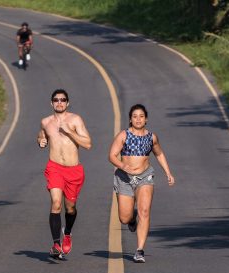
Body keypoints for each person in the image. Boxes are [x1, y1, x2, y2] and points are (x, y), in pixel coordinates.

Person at [108, 104, 175, 263]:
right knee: (124, 218)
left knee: (144, 211)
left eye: (141, 116)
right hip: (124, 177)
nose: (138, 119)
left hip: (145, 176)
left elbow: (159, 154)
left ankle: (139, 250)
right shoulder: (123, 135)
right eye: (135, 116)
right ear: (130, 119)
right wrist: (123, 165)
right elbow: (111, 155)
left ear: (146, 119)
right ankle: (131, 220)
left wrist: (168, 173)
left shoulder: (152, 137)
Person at [37, 89, 92, 259]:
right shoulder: (46, 121)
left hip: (73, 170)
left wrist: (69, 132)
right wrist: (41, 140)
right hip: (54, 168)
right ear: (51, 103)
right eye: (56, 100)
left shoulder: (75, 120)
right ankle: (55, 244)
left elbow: (88, 144)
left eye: (62, 100)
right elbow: (41, 135)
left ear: (67, 103)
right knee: (55, 203)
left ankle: (67, 233)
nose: (59, 103)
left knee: (70, 208)